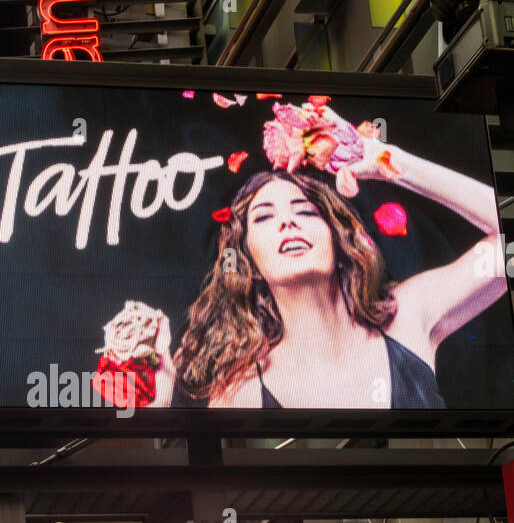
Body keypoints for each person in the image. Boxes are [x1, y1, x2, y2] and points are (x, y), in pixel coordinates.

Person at [117, 111, 506, 409]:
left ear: (337, 237)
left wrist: (391, 163)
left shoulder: (407, 316)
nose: (287, 221)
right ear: (248, 260)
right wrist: (160, 406)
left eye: (305, 211)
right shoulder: (241, 391)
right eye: (264, 217)